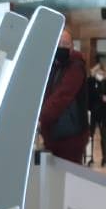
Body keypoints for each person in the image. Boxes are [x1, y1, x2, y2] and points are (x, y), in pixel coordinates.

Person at [39, 29, 90, 164]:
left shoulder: (76, 67)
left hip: (71, 136)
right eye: (59, 43)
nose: (61, 46)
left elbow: (62, 96)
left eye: (65, 44)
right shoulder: (55, 65)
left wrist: (41, 118)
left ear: (72, 47)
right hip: (54, 134)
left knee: (68, 179)